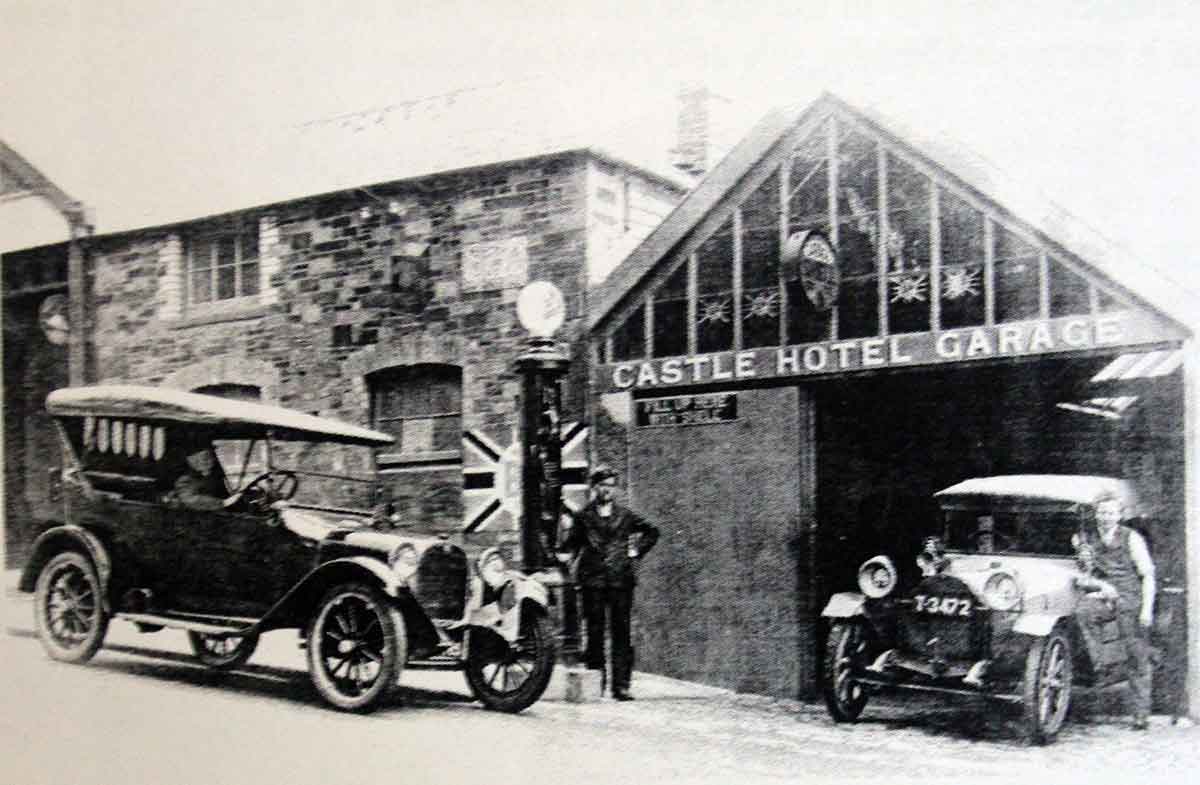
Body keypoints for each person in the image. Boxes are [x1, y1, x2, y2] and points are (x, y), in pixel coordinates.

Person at [559, 465, 660, 701]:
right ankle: (597, 683)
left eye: (611, 486)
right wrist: (563, 554)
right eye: (603, 485)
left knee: (621, 633)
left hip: (620, 581)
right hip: (592, 582)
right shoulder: (583, 516)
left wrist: (636, 551)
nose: (607, 490)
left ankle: (621, 686)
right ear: (594, 487)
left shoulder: (625, 515)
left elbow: (652, 531)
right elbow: (571, 545)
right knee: (594, 633)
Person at [1073, 491, 1156, 730]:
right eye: (1101, 512)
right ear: (1095, 514)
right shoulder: (1086, 539)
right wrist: (1099, 586)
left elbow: (1148, 575)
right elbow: (1083, 575)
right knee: (1083, 611)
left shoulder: (1132, 538)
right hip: (1104, 595)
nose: (1105, 517)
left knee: (1136, 655)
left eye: (1110, 512)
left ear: (1120, 515)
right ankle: (1103, 665)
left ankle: (1141, 714)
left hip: (1131, 598)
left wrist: (1147, 610)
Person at [172, 446, 243, 511]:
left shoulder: (215, 476)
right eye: (199, 458)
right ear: (190, 461)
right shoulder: (185, 480)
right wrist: (223, 503)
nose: (205, 461)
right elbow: (190, 499)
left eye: (208, 456)